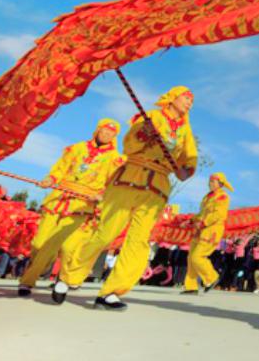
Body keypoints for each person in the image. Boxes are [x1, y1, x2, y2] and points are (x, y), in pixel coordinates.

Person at [55, 86, 198, 310]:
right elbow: (129, 144)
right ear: (171, 98)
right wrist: (144, 134)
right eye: (186, 98)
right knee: (105, 234)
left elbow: (189, 159)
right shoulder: (152, 117)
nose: (190, 103)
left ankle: (111, 291)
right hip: (130, 178)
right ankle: (68, 276)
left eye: (192, 101)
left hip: (157, 187)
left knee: (139, 242)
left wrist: (185, 171)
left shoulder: (186, 131)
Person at [17, 118, 123, 296]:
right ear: (97, 130)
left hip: (82, 205)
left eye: (111, 132)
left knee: (59, 245)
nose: (107, 134)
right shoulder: (76, 148)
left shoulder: (114, 159)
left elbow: (112, 184)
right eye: (104, 130)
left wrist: (100, 195)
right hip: (59, 198)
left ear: (114, 137)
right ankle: (43, 264)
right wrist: (50, 179)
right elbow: (60, 169)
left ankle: (29, 281)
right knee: (38, 243)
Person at [183, 172, 232, 293]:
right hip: (201, 229)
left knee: (197, 256)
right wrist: (190, 220)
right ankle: (191, 287)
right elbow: (201, 213)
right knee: (191, 257)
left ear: (220, 183)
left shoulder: (223, 197)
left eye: (213, 181)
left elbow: (218, 214)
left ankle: (212, 277)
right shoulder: (207, 197)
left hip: (212, 230)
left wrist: (204, 222)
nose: (210, 184)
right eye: (209, 181)